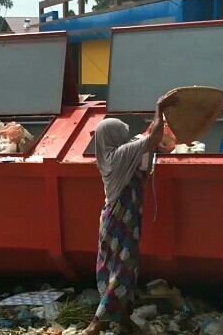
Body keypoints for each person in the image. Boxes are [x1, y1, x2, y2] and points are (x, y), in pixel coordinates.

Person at [82, 94, 177, 335]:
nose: (125, 138)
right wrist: (159, 108)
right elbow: (154, 137)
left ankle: (123, 319)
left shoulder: (107, 157)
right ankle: (97, 323)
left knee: (111, 268)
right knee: (124, 269)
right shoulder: (120, 155)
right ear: (113, 137)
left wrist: (150, 154)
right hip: (123, 220)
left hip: (112, 219)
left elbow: (141, 177)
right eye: (121, 134)